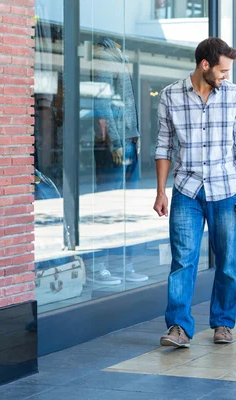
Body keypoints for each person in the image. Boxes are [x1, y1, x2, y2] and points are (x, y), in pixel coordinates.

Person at [154, 38, 236, 347]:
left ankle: (223, 323)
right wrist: (160, 191)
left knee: (227, 260)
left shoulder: (235, 96)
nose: (226, 77)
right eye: (223, 70)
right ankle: (179, 327)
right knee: (183, 260)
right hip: (186, 189)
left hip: (225, 190)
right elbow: (164, 146)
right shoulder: (170, 96)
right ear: (205, 65)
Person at [91, 36, 148, 285]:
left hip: (129, 141)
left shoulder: (119, 55)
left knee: (126, 210)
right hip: (117, 144)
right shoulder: (104, 57)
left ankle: (123, 264)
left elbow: (126, 104)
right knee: (109, 207)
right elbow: (102, 102)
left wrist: (135, 137)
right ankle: (99, 267)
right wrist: (114, 141)